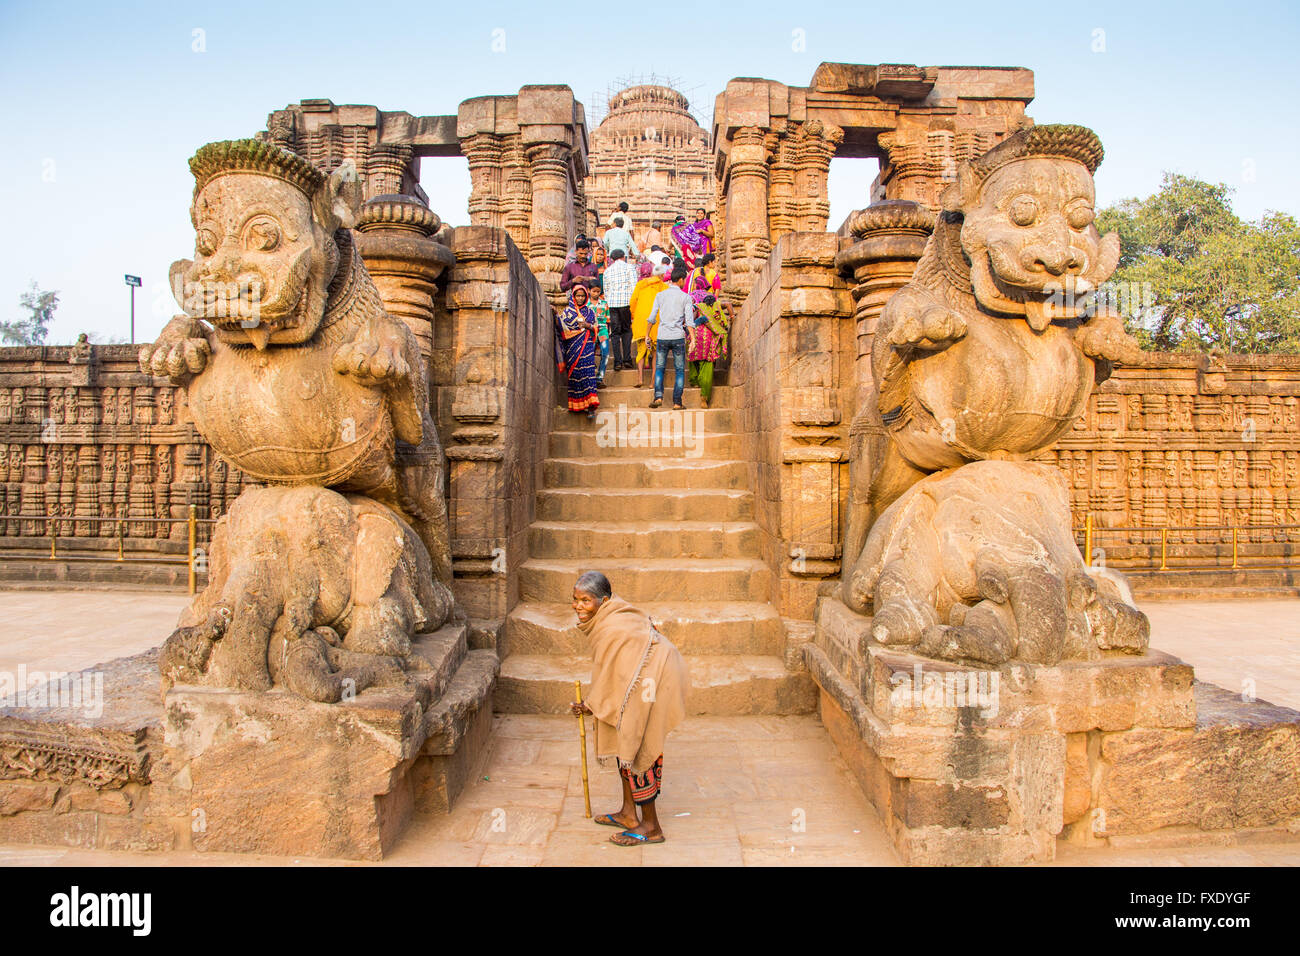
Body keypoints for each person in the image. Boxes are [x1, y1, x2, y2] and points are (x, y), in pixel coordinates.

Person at [568, 570, 688, 847]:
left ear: (604, 600)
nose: (578, 606)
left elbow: (622, 679)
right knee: (624, 743)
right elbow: (614, 674)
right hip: (643, 679)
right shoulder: (611, 617)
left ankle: (651, 827)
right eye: (575, 600)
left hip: (652, 682)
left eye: (586, 601)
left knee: (637, 746)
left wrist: (592, 704)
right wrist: (593, 704)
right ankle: (628, 814)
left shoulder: (613, 627)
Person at [646, 263, 694, 410]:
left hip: (663, 336)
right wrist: (692, 339)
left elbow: (652, 317)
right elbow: (690, 321)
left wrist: (647, 335)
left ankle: (658, 397)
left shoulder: (660, 295)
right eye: (684, 280)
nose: (684, 282)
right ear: (680, 280)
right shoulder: (685, 297)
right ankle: (677, 402)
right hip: (678, 336)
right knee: (679, 369)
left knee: (659, 367)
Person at [557, 285, 601, 419]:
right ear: (573, 296)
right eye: (578, 296)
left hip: (586, 345)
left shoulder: (589, 312)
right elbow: (561, 328)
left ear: (585, 297)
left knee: (588, 372)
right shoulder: (566, 312)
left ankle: (591, 407)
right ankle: (577, 405)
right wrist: (555, 315)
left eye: (582, 296)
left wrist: (587, 326)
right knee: (575, 373)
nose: (580, 298)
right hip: (572, 347)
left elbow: (595, 327)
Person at [687, 294, 732, 408]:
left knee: (693, 359)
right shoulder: (717, 305)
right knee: (707, 365)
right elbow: (728, 304)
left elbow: (691, 318)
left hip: (696, 335)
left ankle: (695, 381)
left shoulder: (699, 306)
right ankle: (704, 397)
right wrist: (732, 316)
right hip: (709, 337)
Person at [629, 265, 670, 388]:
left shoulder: (641, 284)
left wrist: (635, 315)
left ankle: (640, 378)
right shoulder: (664, 287)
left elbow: (633, 301)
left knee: (641, 350)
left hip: (642, 320)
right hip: (657, 321)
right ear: (662, 276)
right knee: (656, 352)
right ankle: (652, 382)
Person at [602, 248, 638, 371]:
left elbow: (606, 290)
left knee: (615, 333)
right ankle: (627, 359)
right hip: (626, 303)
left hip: (613, 304)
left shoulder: (608, 271)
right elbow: (634, 287)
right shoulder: (630, 268)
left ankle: (618, 362)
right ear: (623, 257)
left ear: (612, 259)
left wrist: (609, 301)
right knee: (627, 330)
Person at [589, 277, 611, 385]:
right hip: (590, 332)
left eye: (598, 291)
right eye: (594, 291)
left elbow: (608, 319)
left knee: (605, 354)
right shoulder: (586, 305)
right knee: (589, 354)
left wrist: (608, 332)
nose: (596, 293)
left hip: (603, 331)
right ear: (589, 291)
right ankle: (590, 377)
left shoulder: (604, 303)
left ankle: (600, 378)